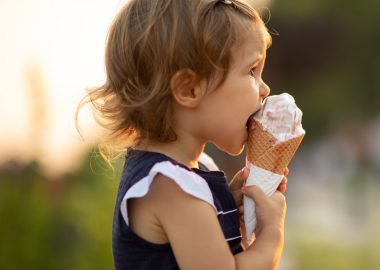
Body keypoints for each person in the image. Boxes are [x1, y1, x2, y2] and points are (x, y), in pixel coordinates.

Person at [78, 0, 287, 269]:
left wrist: (230, 212)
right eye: (251, 71)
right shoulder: (169, 186)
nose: (264, 88)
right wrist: (272, 234)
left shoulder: (192, 173)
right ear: (189, 89)